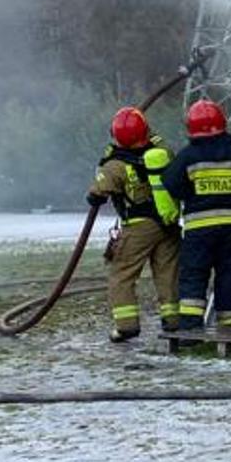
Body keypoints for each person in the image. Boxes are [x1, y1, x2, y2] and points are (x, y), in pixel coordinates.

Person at [162, 100, 231, 330]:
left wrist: (190, 194)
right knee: (229, 274)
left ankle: (191, 326)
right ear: (223, 125)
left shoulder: (187, 157)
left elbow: (170, 183)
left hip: (198, 230)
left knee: (194, 274)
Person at [84, 107, 181, 342]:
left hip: (137, 227)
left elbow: (96, 194)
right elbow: (163, 146)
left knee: (122, 275)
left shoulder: (115, 166)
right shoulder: (161, 152)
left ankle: (126, 325)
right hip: (167, 224)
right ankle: (174, 320)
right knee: (168, 273)